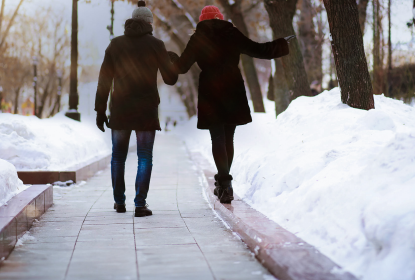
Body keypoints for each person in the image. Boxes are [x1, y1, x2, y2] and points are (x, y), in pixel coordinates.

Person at [171, 6, 293, 204]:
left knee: (217, 138)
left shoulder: (198, 38)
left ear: (202, 21)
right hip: (232, 88)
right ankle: (224, 183)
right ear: (220, 18)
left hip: (210, 90)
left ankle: (224, 183)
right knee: (229, 138)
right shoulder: (231, 32)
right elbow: (258, 50)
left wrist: (170, 57)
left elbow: (182, 67)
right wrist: (280, 44)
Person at [94, 1, 178, 217]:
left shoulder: (115, 45)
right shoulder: (156, 45)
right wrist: (172, 61)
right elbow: (170, 79)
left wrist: (100, 110)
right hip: (146, 111)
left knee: (118, 157)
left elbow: (104, 80)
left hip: (121, 109)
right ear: (150, 23)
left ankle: (119, 202)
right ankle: (140, 204)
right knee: (144, 157)